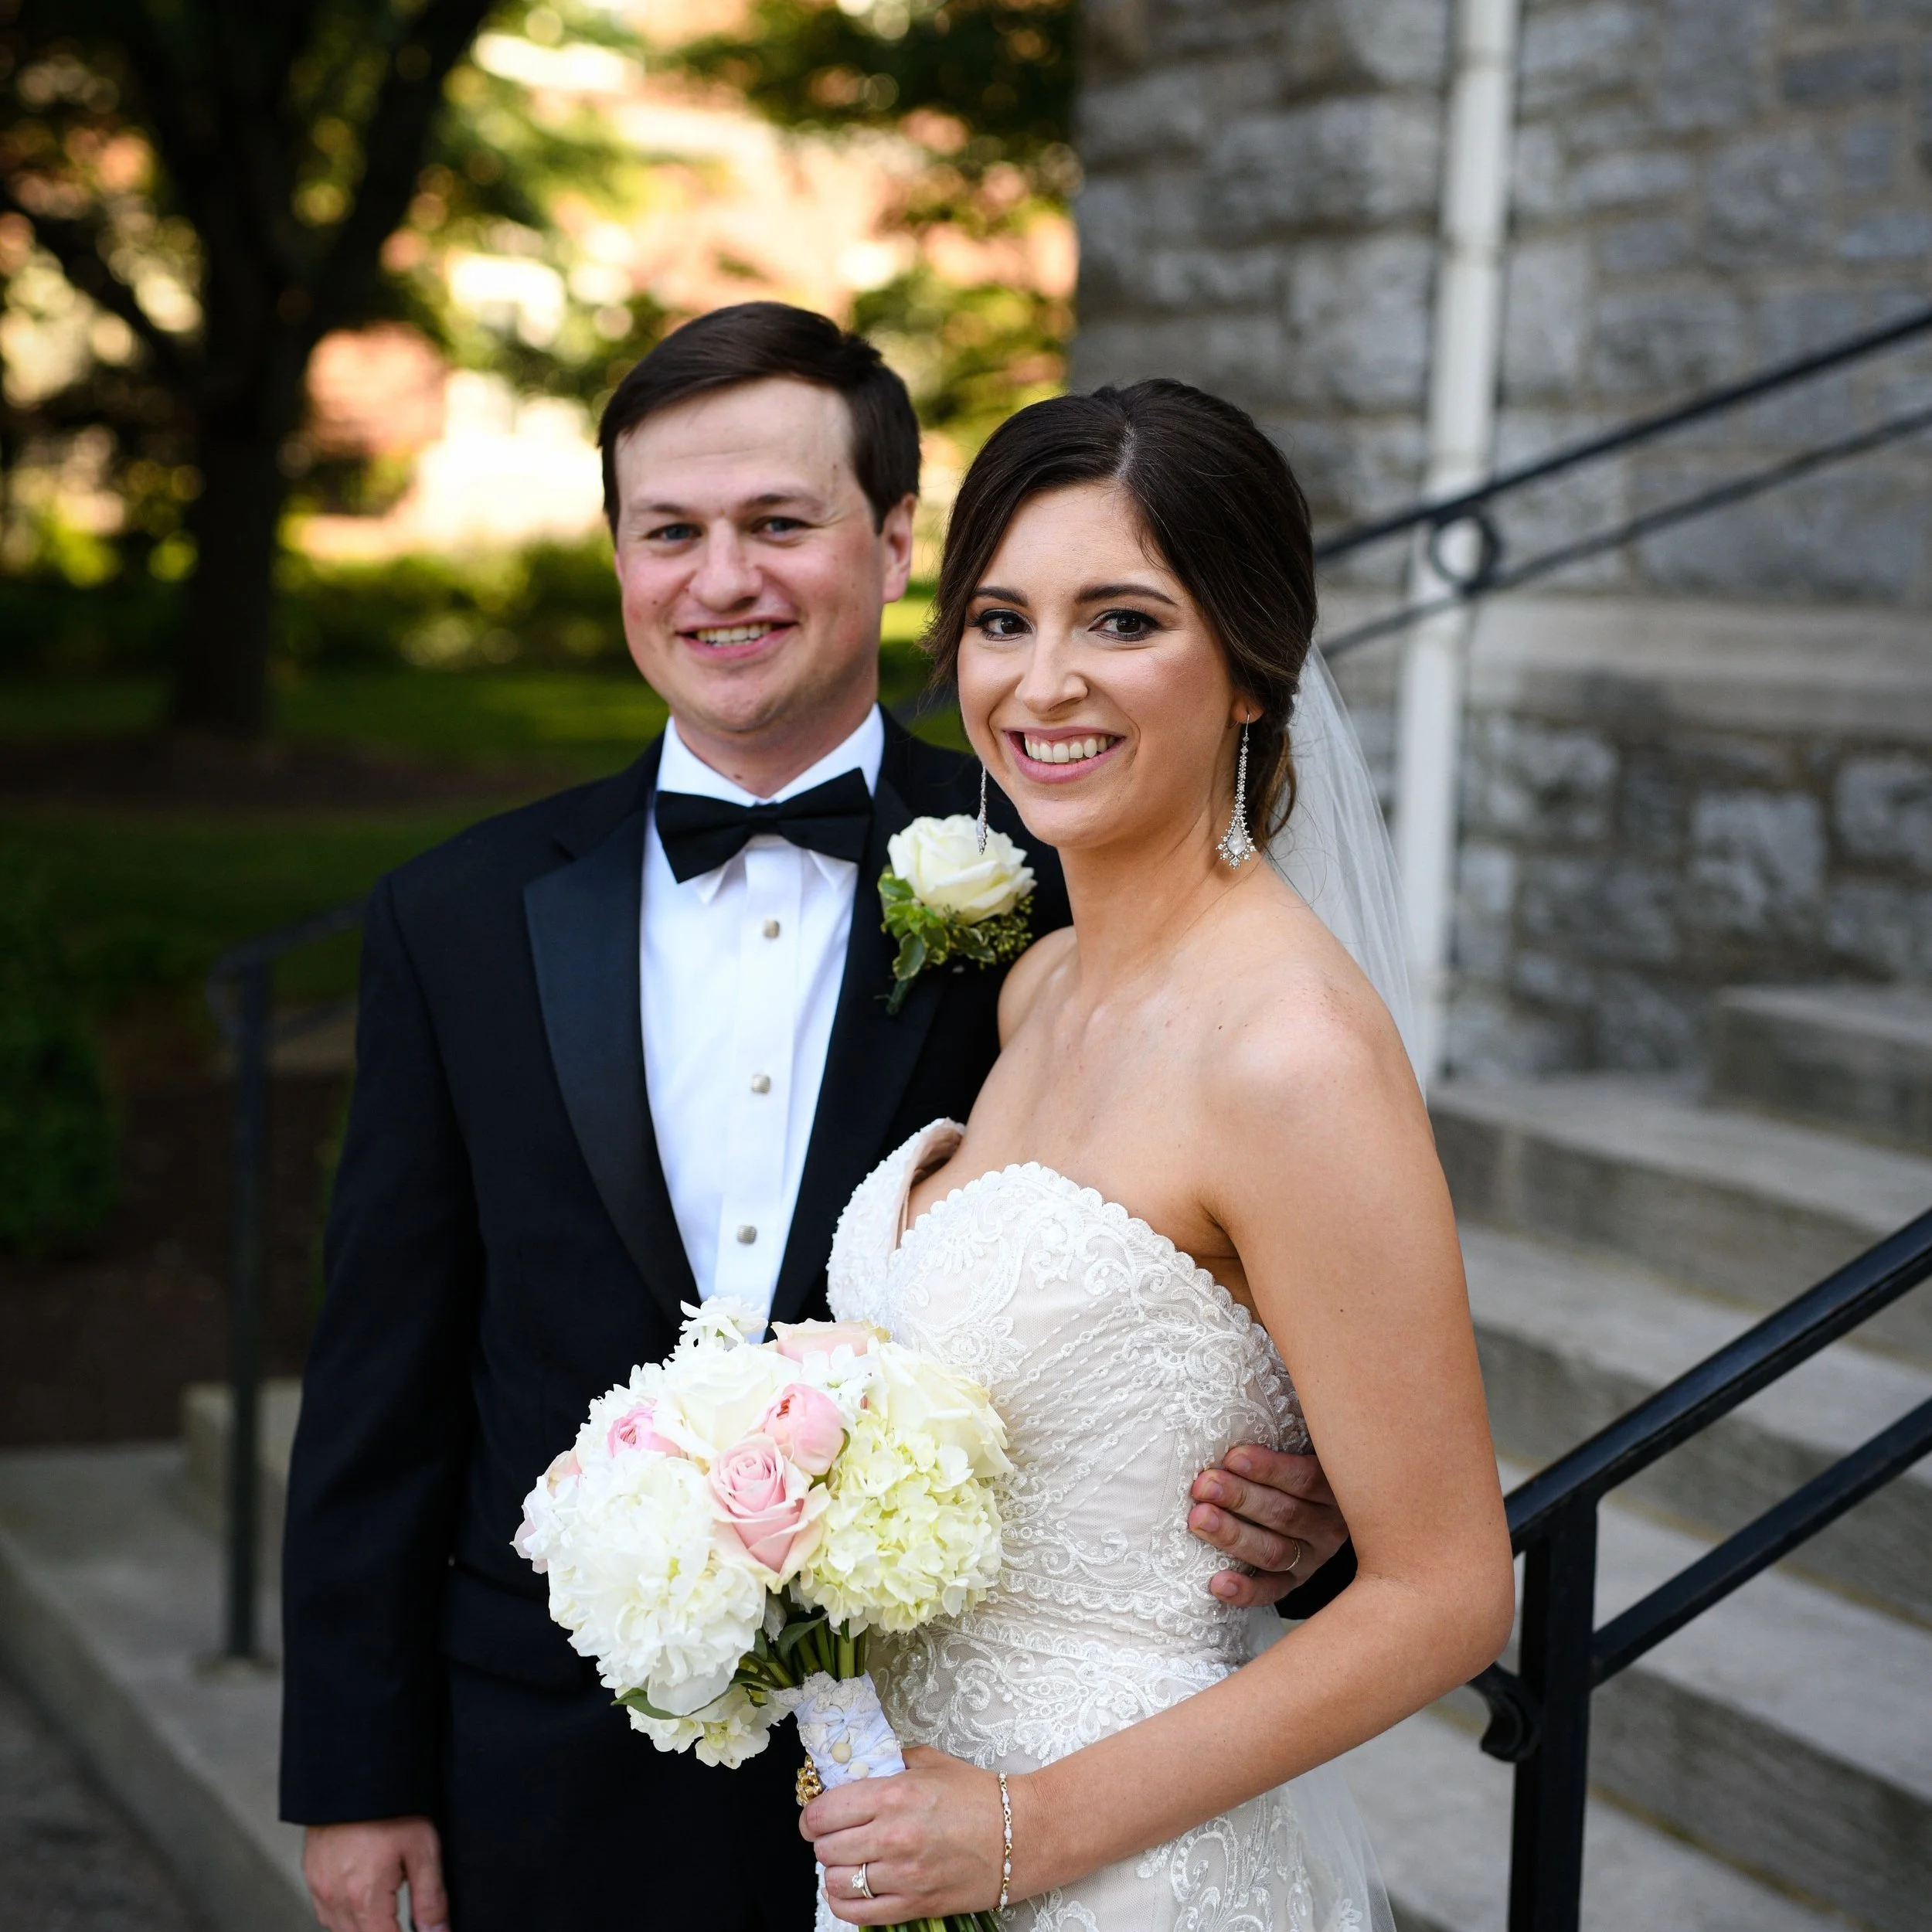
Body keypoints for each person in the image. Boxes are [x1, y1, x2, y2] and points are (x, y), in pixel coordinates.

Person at [278, 305, 1355, 1932]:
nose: (723, 580)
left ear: (894, 537)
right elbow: (385, 1372)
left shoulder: (1069, 838)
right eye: (672, 532)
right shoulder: (456, 914)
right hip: (547, 1766)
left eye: (779, 522)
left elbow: (1269, 1261)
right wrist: (358, 1772)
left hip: (947, 1757)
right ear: (618, 552)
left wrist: (1316, 1498)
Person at [799, 379, 1516, 1930]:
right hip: (907, 1832)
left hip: (1123, 1862)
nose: (1041, 682)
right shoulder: (1037, 980)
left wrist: (1025, 1826)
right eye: (1000, 620)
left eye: (1120, 621)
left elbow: (1446, 1588)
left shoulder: (1290, 1052)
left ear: (1249, 668)